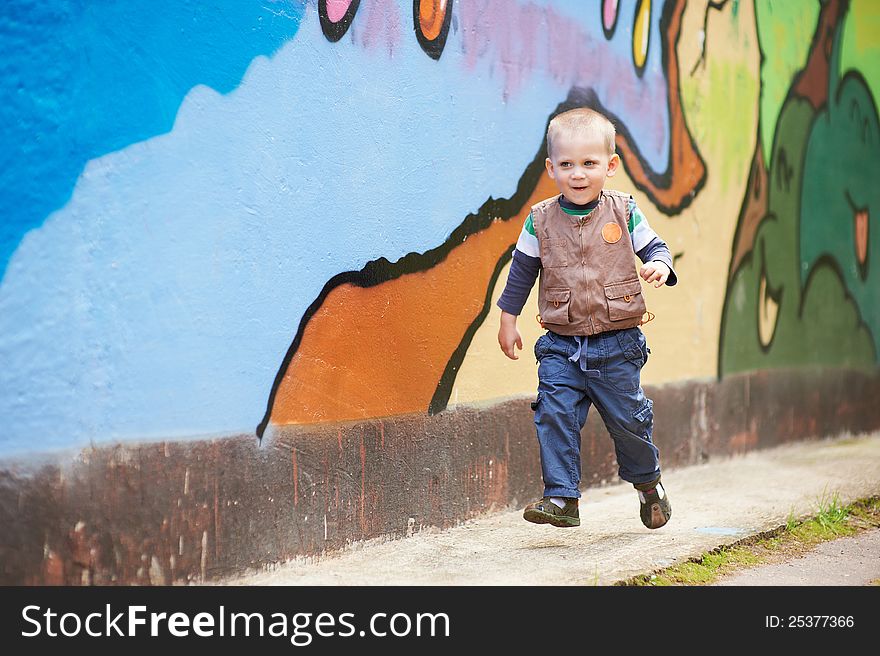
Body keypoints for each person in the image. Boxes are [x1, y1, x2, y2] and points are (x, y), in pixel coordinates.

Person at [496, 107, 677, 530]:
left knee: (629, 423)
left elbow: (656, 248)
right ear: (551, 168)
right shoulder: (539, 221)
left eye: (589, 164)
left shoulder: (624, 211)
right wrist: (508, 319)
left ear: (610, 166)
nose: (578, 174)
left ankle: (649, 485)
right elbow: (521, 272)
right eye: (567, 165)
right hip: (561, 344)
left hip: (617, 345)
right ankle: (562, 498)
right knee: (554, 412)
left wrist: (661, 267)